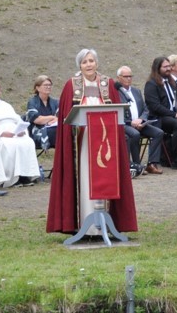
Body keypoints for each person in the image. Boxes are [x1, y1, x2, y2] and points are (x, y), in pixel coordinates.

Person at [47, 48, 137, 235]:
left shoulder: (108, 83)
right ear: (79, 65)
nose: (88, 65)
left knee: (106, 176)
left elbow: (115, 112)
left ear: (97, 63)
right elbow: (66, 116)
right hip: (81, 142)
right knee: (84, 177)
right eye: (84, 62)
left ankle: (106, 222)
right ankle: (84, 223)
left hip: (106, 141)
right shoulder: (71, 85)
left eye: (91, 61)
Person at [0, 79, 43, 187]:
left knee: (28, 142)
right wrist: (2, 133)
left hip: (14, 131)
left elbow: (18, 119)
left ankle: (25, 175)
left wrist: (21, 130)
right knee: (9, 145)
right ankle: (12, 178)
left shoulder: (6, 105)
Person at [116, 65, 165, 174]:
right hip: (125, 124)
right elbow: (116, 111)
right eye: (126, 76)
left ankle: (152, 163)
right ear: (118, 78)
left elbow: (145, 109)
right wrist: (131, 122)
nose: (129, 78)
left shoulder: (136, 91)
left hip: (140, 123)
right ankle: (137, 165)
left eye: (130, 76)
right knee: (135, 134)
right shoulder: (115, 93)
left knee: (158, 133)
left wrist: (141, 120)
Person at [24, 75, 58, 151]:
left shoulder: (55, 102)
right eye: (45, 85)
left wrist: (54, 119)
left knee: (64, 131)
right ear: (37, 88)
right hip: (36, 132)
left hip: (53, 130)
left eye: (49, 85)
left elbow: (60, 118)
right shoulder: (32, 102)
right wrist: (52, 117)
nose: (48, 87)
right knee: (59, 133)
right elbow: (37, 119)